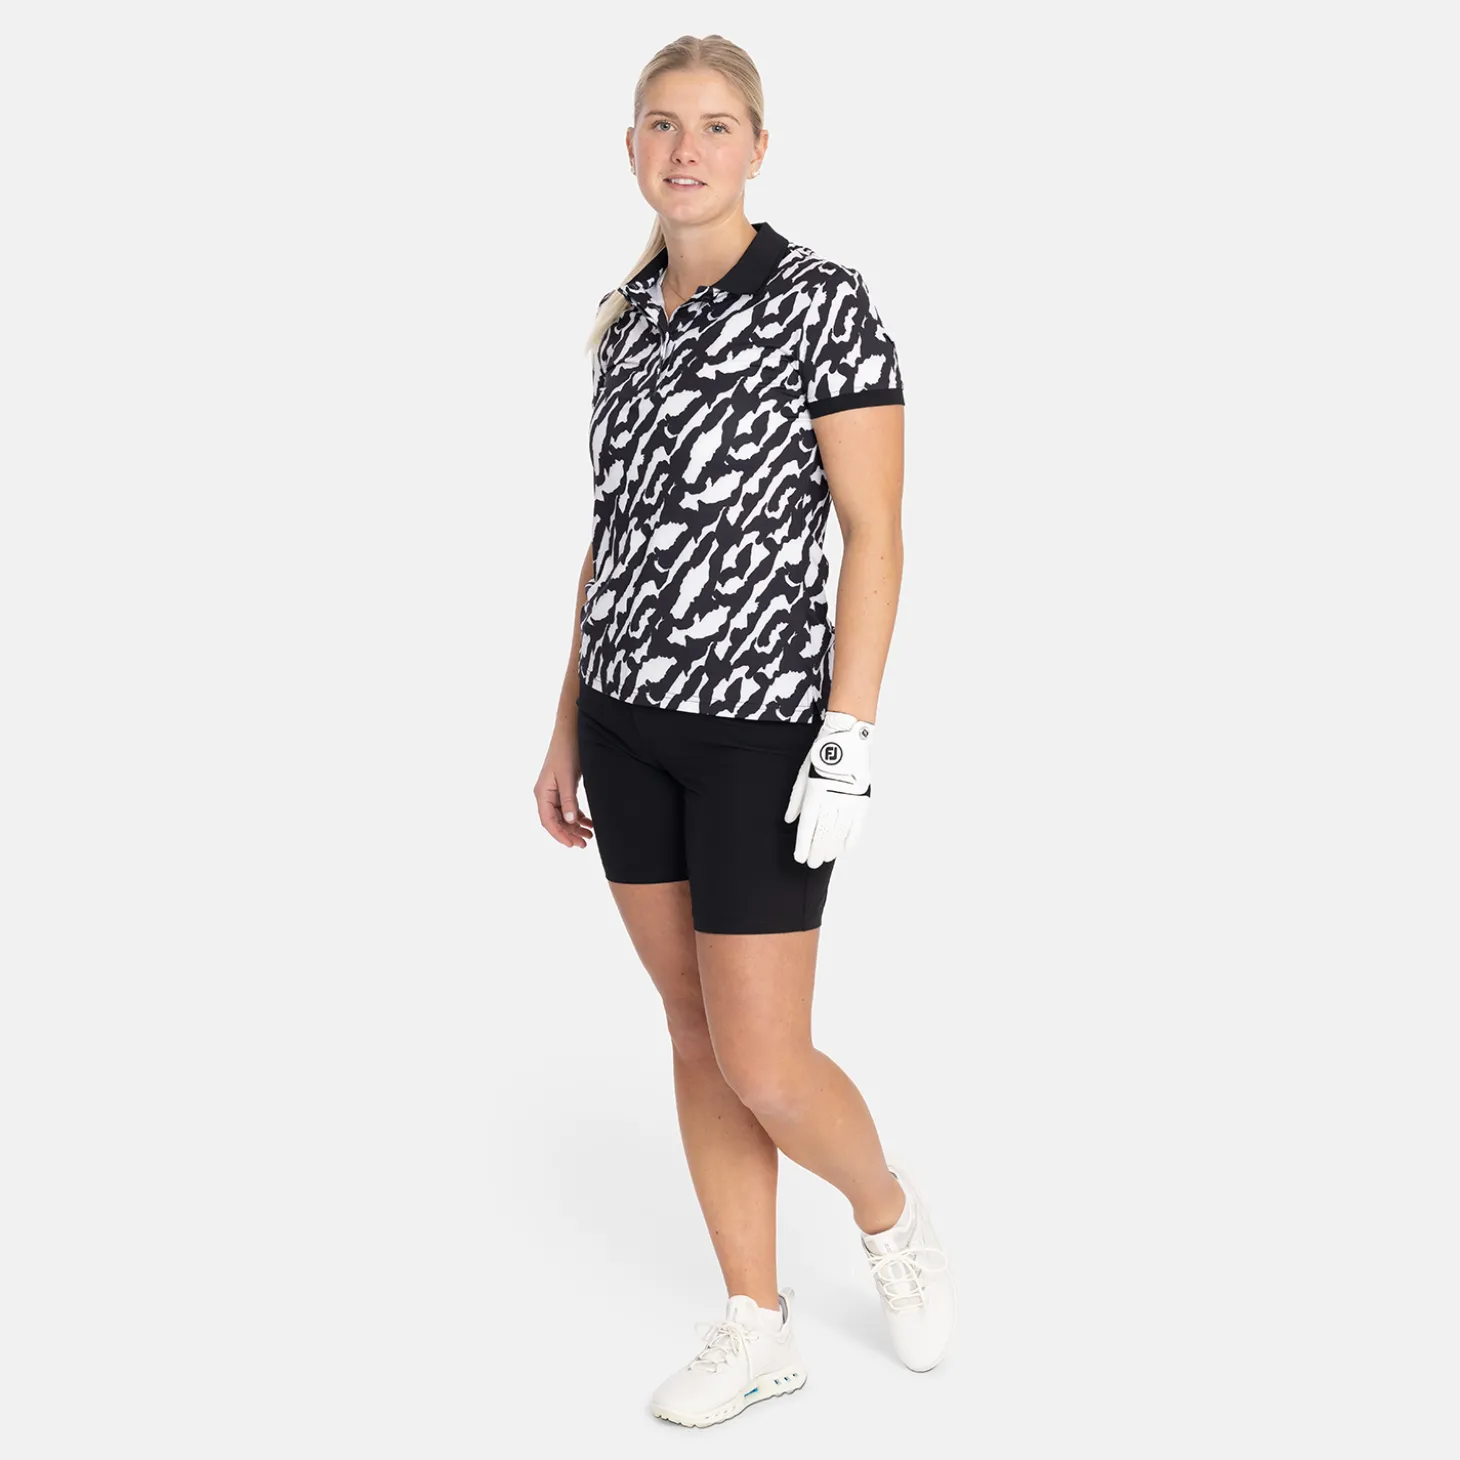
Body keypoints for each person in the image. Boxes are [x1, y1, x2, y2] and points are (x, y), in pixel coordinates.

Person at [532, 33, 955, 1427]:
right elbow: (612, 537)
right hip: (626, 727)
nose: (688, 148)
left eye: (716, 125)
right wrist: (564, 725)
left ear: (759, 149)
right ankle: (756, 1324)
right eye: (663, 124)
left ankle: (888, 1216)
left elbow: (876, 531)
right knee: (692, 1028)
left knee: (766, 1057)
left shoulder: (824, 301)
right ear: (632, 149)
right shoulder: (625, 319)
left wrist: (851, 734)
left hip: (762, 734)